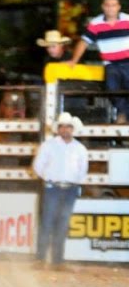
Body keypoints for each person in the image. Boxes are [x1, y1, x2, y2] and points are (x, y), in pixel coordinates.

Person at [33, 112, 88, 269]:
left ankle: (57, 261)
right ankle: (41, 259)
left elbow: (82, 171)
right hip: (53, 188)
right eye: (62, 127)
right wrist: (49, 179)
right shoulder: (48, 145)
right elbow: (38, 167)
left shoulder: (80, 148)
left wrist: (75, 183)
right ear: (58, 129)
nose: (65, 129)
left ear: (73, 129)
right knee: (47, 223)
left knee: (62, 225)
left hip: (70, 189)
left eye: (68, 127)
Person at [68, 0, 129, 123]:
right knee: (111, 89)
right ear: (103, 7)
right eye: (107, 5)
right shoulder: (96, 23)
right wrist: (74, 60)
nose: (110, 8)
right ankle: (122, 113)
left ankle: (123, 114)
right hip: (111, 64)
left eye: (113, 5)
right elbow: (84, 42)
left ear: (118, 7)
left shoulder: (127, 20)